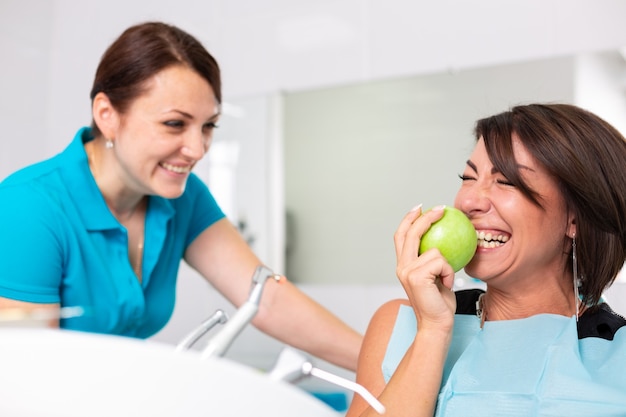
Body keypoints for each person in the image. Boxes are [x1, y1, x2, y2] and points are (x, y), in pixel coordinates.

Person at [0, 21, 362, 371]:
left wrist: (393, 365)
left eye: (208, 127)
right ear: (107, 115)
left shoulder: (182, 198)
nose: (197, 149)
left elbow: (266, 300)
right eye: (175, 124)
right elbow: (29, 375)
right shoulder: (29, 208)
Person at [346, 103, 626, 416]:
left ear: (575, 219)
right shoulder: (399, 324)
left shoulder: (619, 352)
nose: (467, 201)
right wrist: (433, 331)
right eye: (467, 177)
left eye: (505, 181)